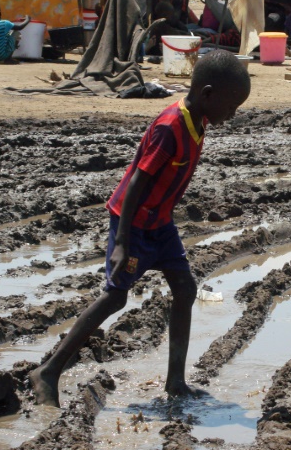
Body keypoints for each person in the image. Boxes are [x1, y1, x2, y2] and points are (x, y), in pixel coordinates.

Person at [30, 50, 252, 408]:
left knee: (185, 288)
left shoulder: (199, 118)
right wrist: (122, 242)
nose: (233, 114)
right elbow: (135, 182)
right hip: (133, 224)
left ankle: (176, 382)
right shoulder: (171, 127)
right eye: (232, 106)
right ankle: (49, 371)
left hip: (160, 223)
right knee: (115, 296)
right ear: (208, 94)